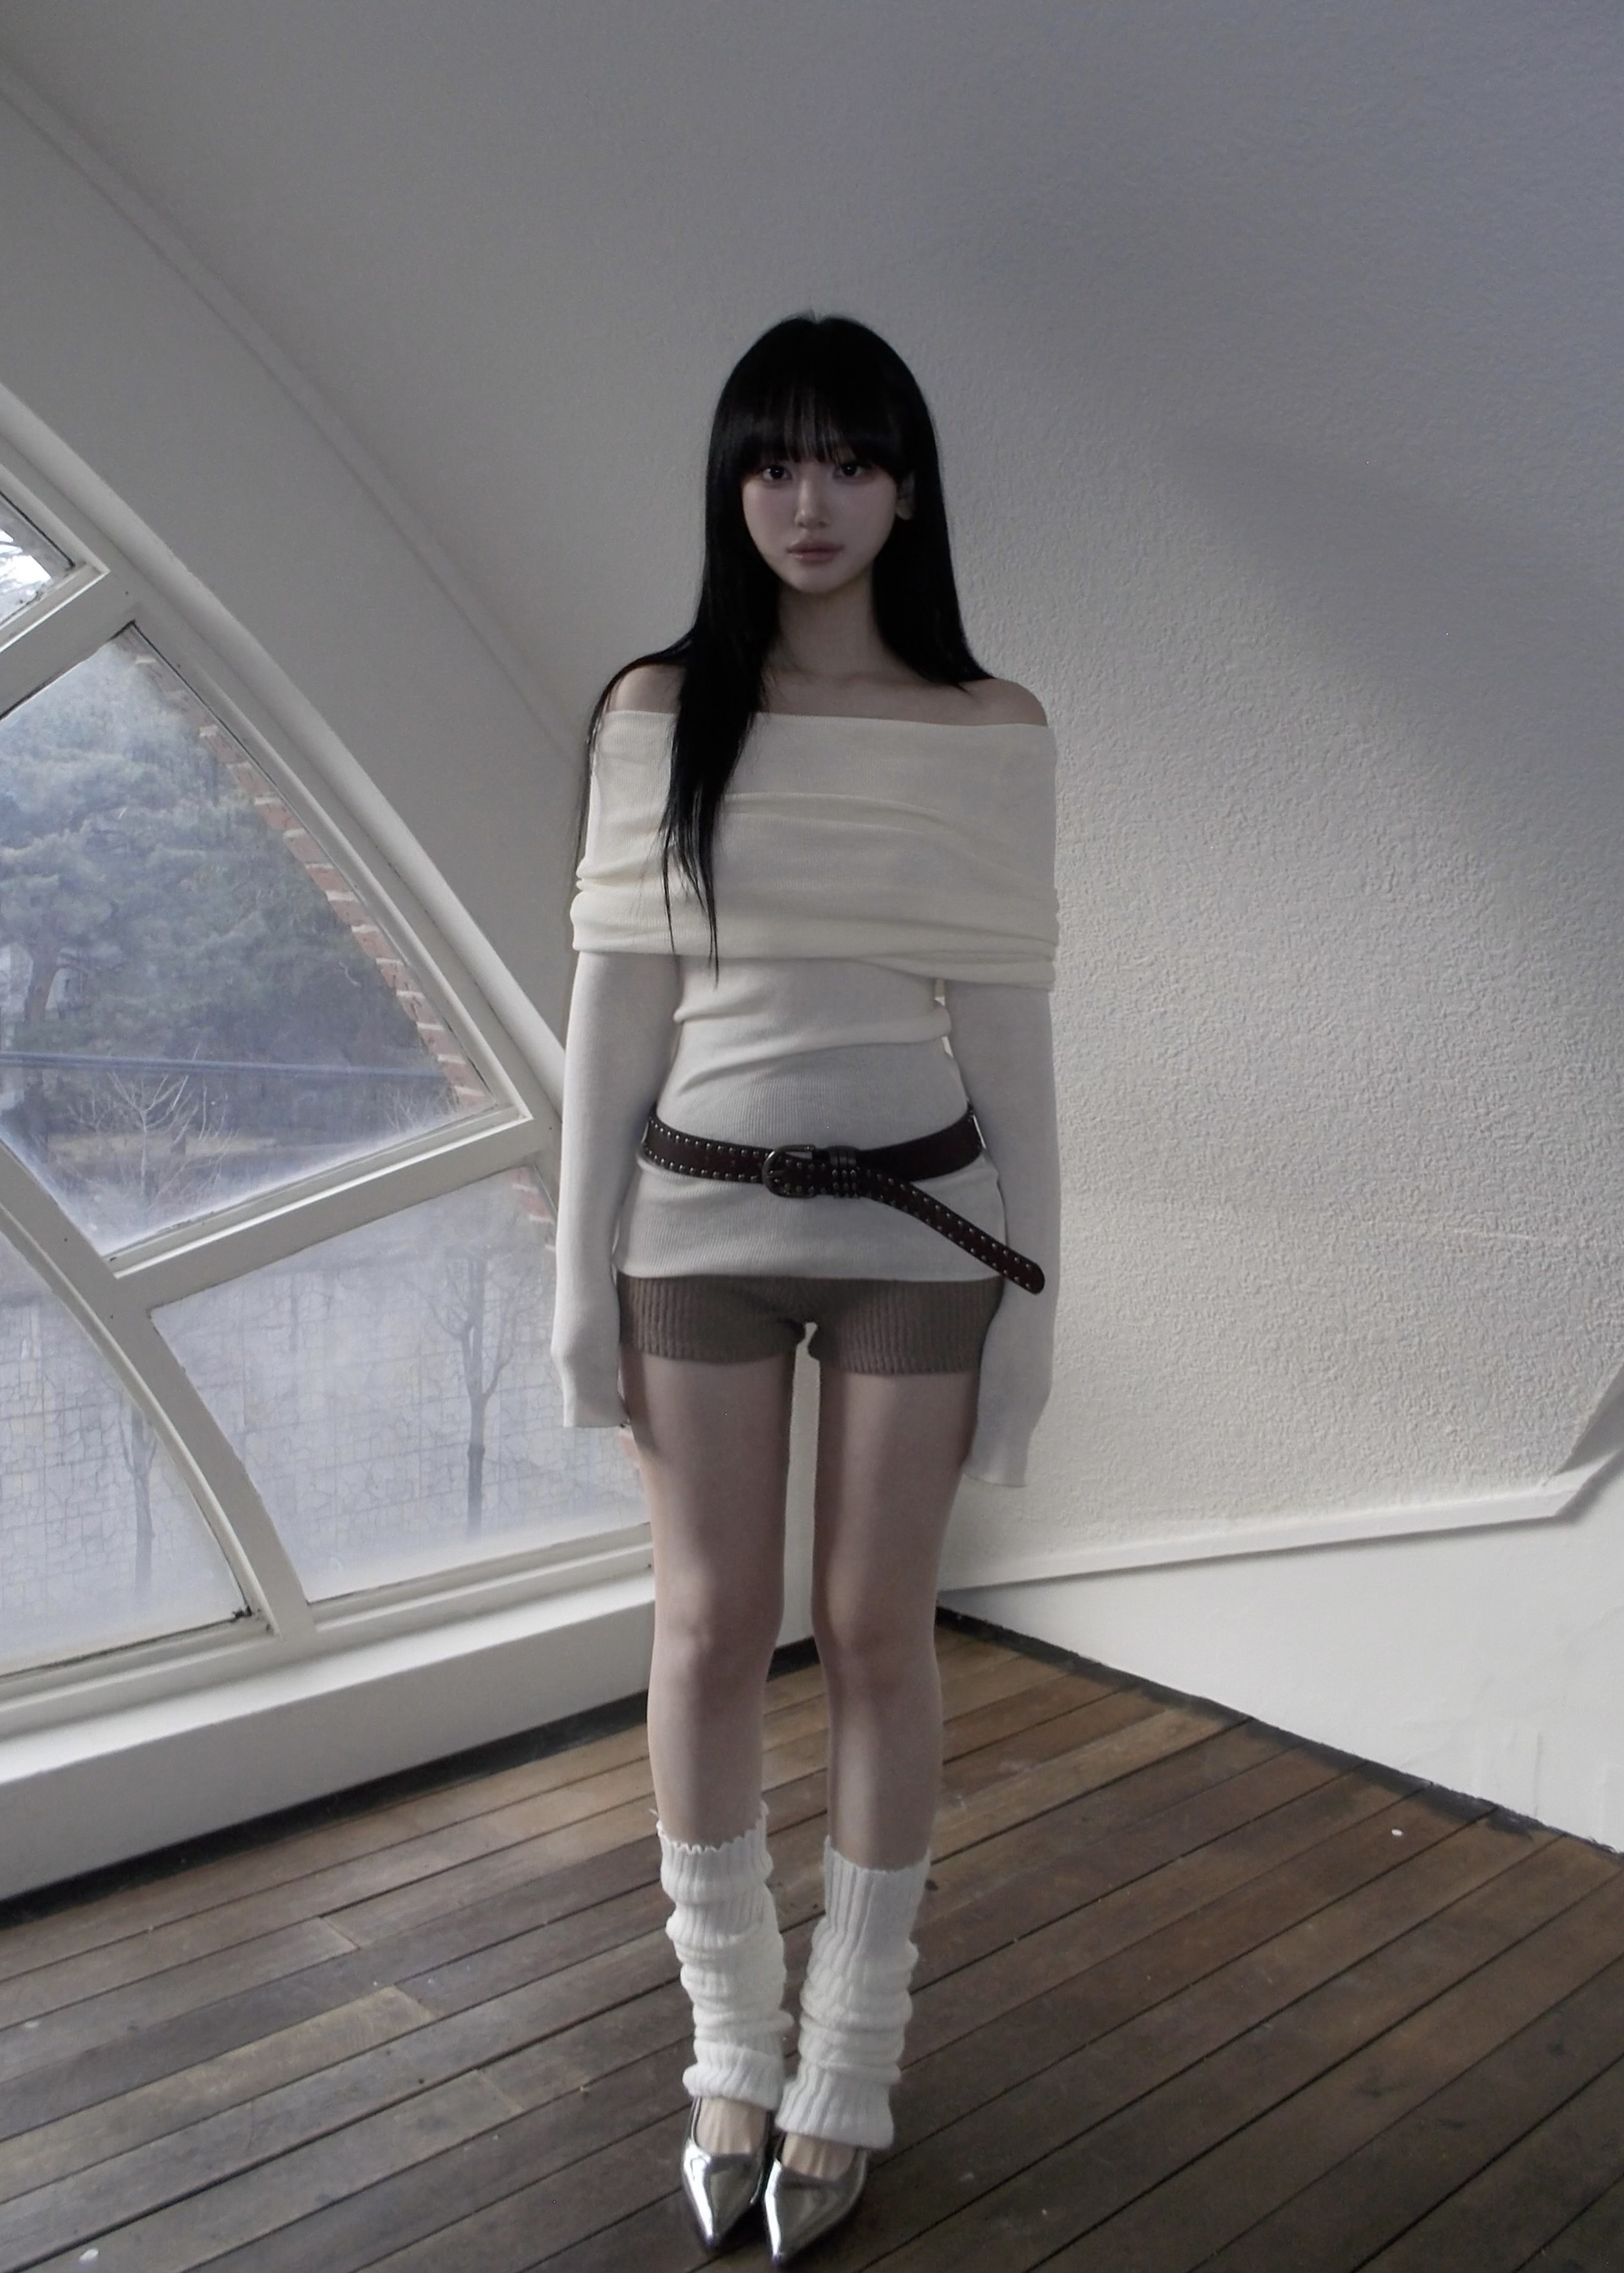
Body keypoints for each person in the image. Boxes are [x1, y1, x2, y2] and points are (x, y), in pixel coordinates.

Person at [552, 312, 1059, 2263]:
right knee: (706, 1628)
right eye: (773, 460)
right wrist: (576, 1276)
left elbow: (1009, 1035)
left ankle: (850, 2059)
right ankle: (726, 2053)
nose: (810, 498)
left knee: (873, 1630)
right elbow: (616, 1012)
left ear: (908, 487)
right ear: (732, 486)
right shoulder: (660, 707)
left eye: (849, 458)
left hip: (924, 1230)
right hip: (695, 1229)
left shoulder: (990, 728)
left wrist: (1043, 1299)